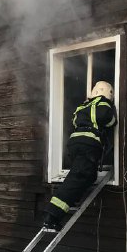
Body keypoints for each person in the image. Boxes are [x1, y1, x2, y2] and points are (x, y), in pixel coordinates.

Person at [43, 81, 118, 232]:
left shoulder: (82, 106)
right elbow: (109, 120)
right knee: (77, 178)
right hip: (88, 145)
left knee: (88, 177)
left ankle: (73, 197)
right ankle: (52, 215)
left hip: (75, 144)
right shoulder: (103, 103)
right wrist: (113, 115)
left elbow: (74, 121)